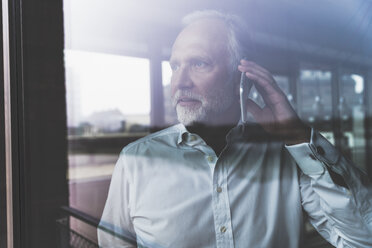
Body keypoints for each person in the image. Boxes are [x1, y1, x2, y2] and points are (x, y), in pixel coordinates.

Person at [98, 10, 372, 248]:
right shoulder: (135, 161)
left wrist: (297, 135)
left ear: (243, 77)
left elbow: (363, 238)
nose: (180, 82)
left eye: (199, 63)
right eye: (175, 66)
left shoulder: (284, 156)